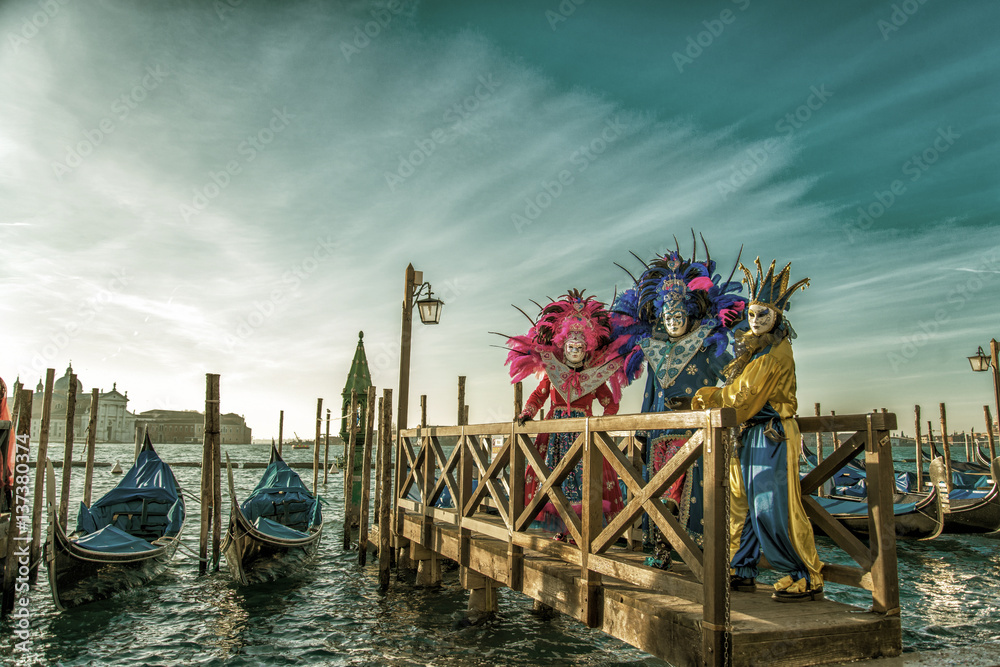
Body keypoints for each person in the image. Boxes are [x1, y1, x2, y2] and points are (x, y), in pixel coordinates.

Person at [692, 258, 824, 602]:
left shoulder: (773, 354)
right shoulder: (754, 349)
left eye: (762, 315)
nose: (754, 321)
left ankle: (803, 574)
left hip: (772, 435)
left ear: (777, 317)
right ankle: (741, 567)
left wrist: (705, 397)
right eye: (751, 314)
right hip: (748, 434)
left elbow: (742, 398)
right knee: (741, 503)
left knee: (773, 504)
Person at [612, 240, 745, 557]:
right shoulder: (655, 350)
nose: (673, 321)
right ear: (661, 319)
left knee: (691, 492)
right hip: (659, 433)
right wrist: (642, 432)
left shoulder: (705, 346)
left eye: (679, 315)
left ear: (689, 315)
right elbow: (650, 394)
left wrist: (740, 411)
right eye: (668, 317)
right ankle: (660, 550)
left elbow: (735, 378)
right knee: (657, 489)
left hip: (697, 432)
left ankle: (698, 555)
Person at [505, 289, 627, 537]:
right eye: (571, 346)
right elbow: (539, 395)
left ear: (587, 349)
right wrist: (527, 413)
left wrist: (601, 424)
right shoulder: (553, 372)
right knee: (553, 477)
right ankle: (563, 530)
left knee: (584, 481)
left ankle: (579, 532)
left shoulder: (595, 378)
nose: (574, 351)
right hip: (555, 435)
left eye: (579, 347)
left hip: (584, 434)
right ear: (564, 346)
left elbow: (610, 402)